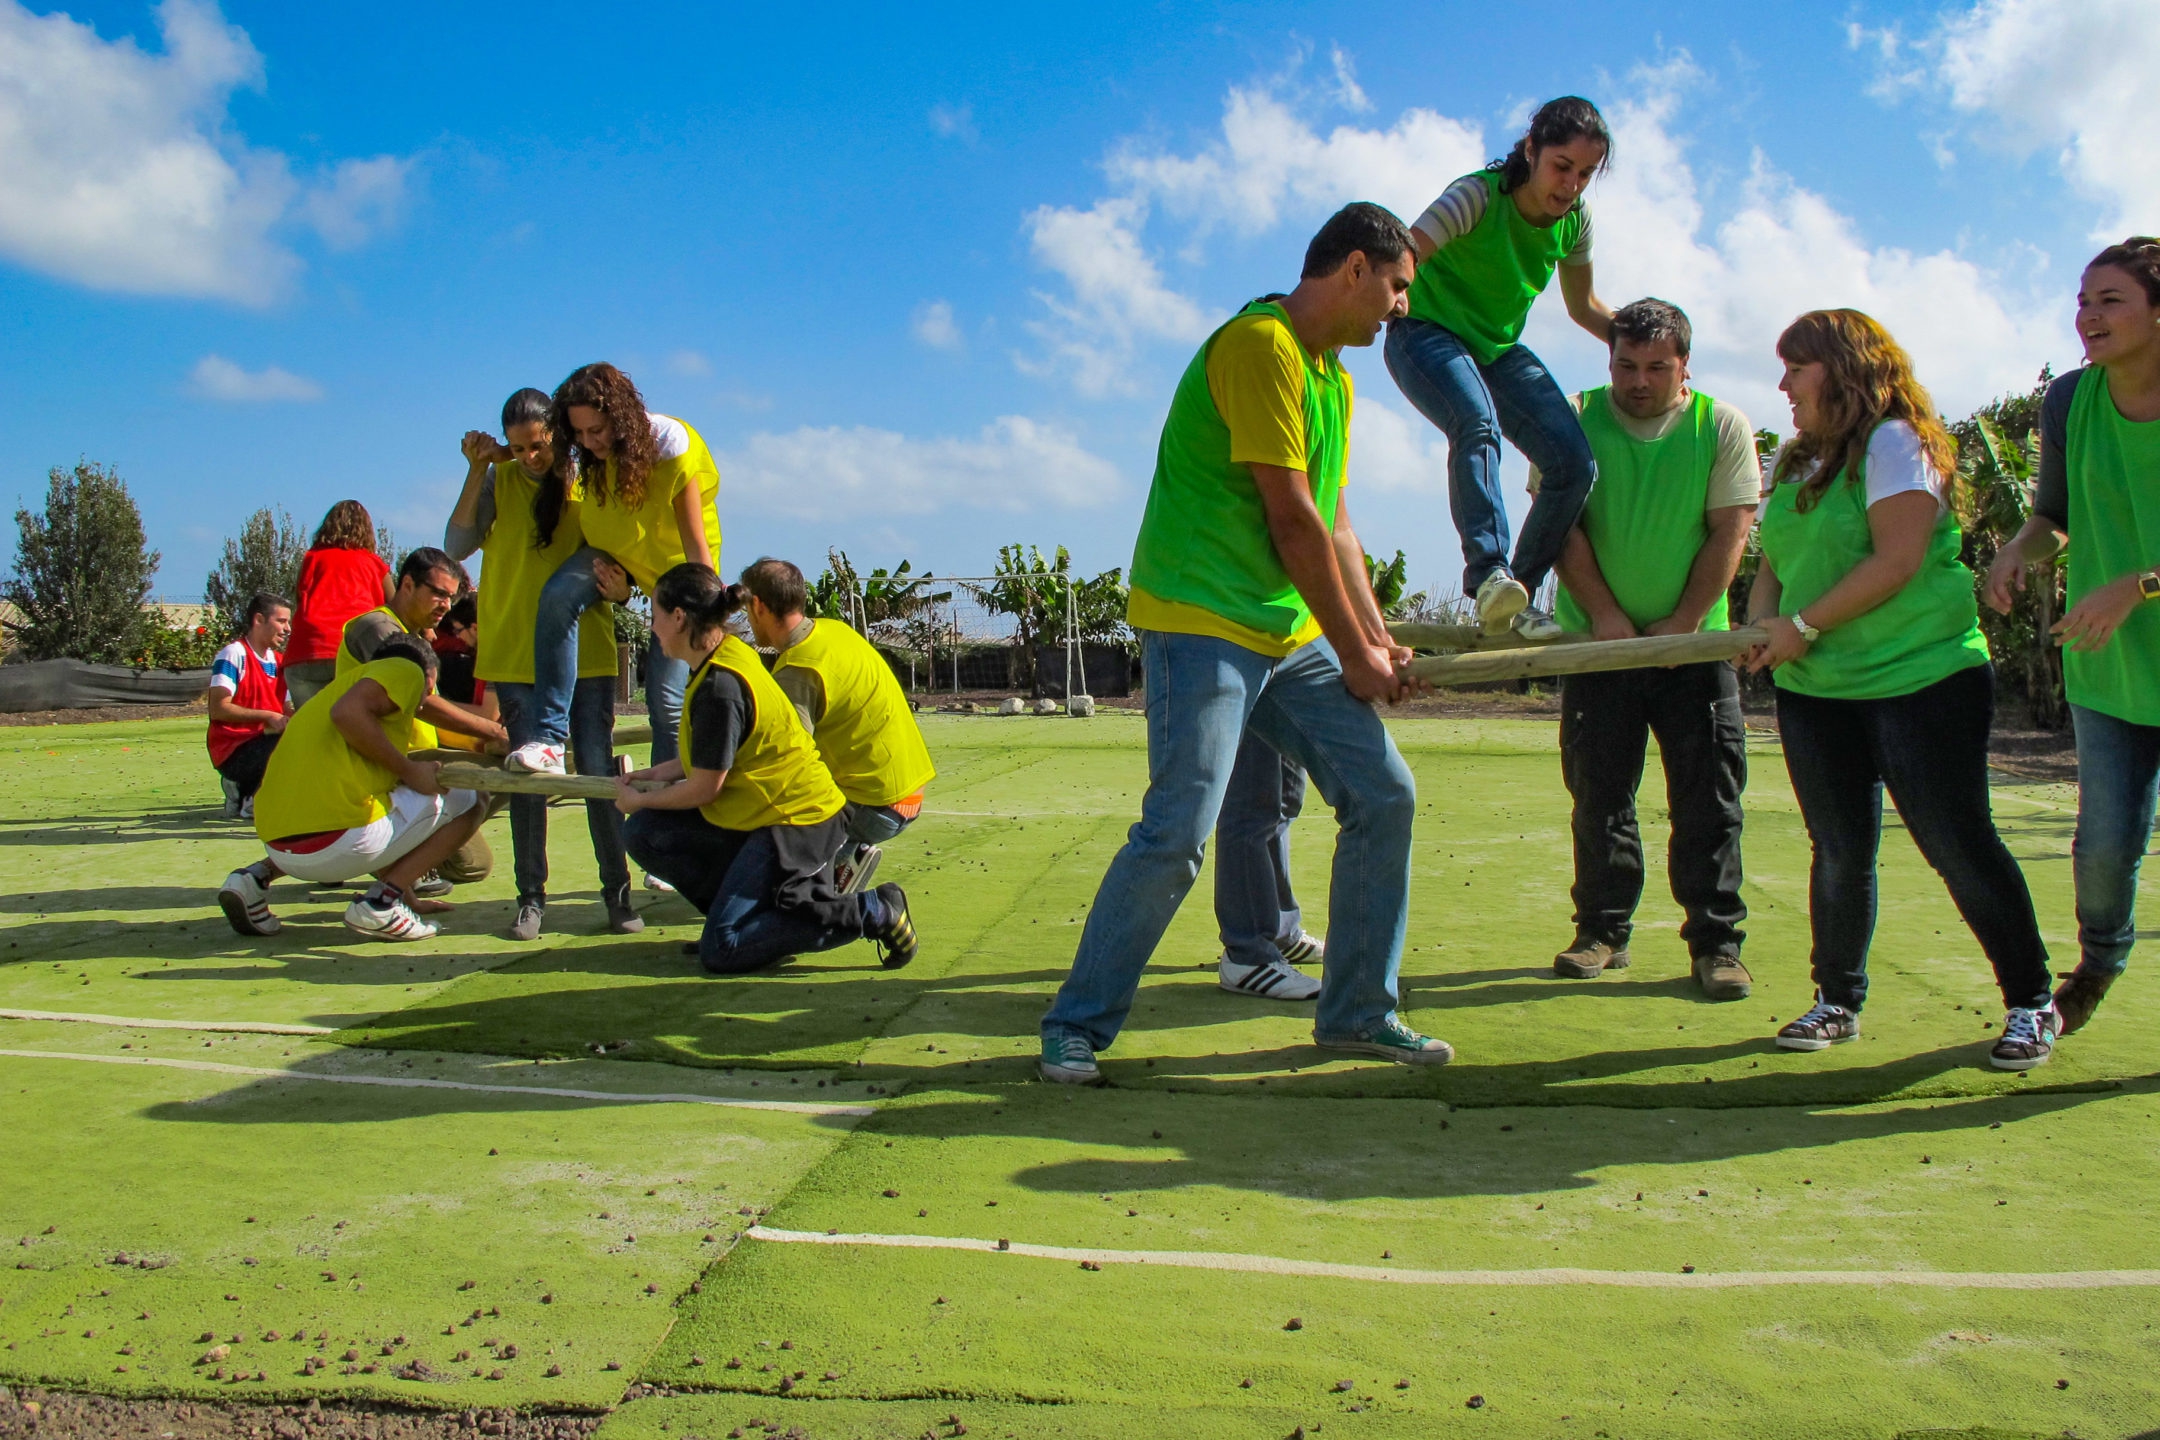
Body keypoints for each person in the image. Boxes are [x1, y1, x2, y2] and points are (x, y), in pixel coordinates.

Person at [1039, 202, 1441, 1087]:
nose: (1402, 307)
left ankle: (1359, 1017)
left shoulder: (1333, 378)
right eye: (1398, 286)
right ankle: (1076, 1024)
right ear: (1353, 270)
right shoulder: (1262, 346)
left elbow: (1335, 523)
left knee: (1386, 793)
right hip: (1200, 622)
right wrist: (1359, 655)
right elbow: (1289, 518)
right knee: (1179, 829)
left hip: (1282, 629)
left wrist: (1376, 641)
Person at [1742, 309, 2057, 1070]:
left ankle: (2032, 1002)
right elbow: (1774, 563)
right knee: (1841, 850)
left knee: (1956, 842)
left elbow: (1898, 561)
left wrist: (1803, 627)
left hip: (1924, 678)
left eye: (1798, 367)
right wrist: (1762, 629)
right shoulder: (1795, 464)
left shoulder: (1896, 443)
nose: (1783, 384)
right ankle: (1837, 1001)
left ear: (1843, 369)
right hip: (1819, 689)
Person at [1546, 298, 1755, 998]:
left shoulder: (1720, 425)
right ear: (1609, 361)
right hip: (1597, 651)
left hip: (1694, 651)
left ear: (1683, 366)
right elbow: (1561, 526)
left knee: (1710, 801)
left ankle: (1716, 946)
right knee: (1599, 795)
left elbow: (1731, 529)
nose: (1638, 381)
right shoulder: (1572, 418)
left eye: (1656, 368)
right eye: (1625, 365)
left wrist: (1685, 622)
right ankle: (1602, 933)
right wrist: (1604, 614)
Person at [1984, 237, 2160, 1037]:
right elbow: (2053, 516)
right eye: (2084, 300)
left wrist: (2139, 585)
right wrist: (2019, 550)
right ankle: (2097, 965)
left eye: (2111, 300)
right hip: (2111, 665)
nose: (2088, 316)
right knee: (2102, 848)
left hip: (2127, 615)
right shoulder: (2068, 403)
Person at [1385, 96, 1615, 641]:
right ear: (1531, 149)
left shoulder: (1575, 223)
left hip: (1496, 349)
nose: (1570, 186)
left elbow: (1585, 309)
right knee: (1477, 420)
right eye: (1562, 167)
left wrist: (1660, 351)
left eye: (1585, 175)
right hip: (1424, 333)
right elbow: (1398, 262)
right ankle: (1487, 573)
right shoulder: (1477, 197)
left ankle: (1513, 600)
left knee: (1574, 464)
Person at [616, 564, 917, 974]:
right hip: (768, 812)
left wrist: (636, 799)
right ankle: (751, 927)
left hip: (800, 822)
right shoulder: (725, 653)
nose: (651, 628)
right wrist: (655, 775)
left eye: (654, 616)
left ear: (680, 618)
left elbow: (705, 787)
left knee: (721, 951)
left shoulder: (721, 686)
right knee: (646, 833)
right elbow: (716, 751)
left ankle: (873, 910)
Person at [446, 387, 642, 942]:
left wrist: (625, 591)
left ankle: (617, 892)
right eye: (518, 448)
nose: (531, 456)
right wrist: (478, 468)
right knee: (528, 779)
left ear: (558, 434)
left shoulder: (591, 483)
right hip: (514, 654)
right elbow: (456, 544)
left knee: (598, 774)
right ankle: (530, 899)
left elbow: (625, 562)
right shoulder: (497, 480)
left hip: (591, 658)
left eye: (538, 444)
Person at [506, 363, 721, 779]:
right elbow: (536, 453)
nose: (589, 442)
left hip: (678, 581)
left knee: (665, 701)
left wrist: (707, 612)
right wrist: (496, 454)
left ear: (621, 419)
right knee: (558, 594)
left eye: (597, 430)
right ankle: (549, 739)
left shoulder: (668, 446)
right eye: (579, 433)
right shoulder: (586, 453)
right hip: (617, 555)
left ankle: (673, 804)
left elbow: (697, 548)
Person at [217, 633, 483, 943]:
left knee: (368, 809)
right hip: (342, 845)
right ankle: (380, 904)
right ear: (422, 673)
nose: (420, 703)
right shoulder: (402, 669)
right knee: (468, 799)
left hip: (279, 848)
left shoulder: (329, 696)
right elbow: (348, 713)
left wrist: (409, 895)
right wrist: (410, 770)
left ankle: (252, 879)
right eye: (425, 692)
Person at [738, 556, 937, 896]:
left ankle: (831, 863)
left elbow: (789, 762)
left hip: (874, 807)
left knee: (758, 816)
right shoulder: (835, 631)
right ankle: (843, 853)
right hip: (909, 794)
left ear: (757, 605)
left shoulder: (798, 670)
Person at [335, 546, 508, 755]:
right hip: (377, 774)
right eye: (439, 594)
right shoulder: (376, 626)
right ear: (408, 584)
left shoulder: (416, 640)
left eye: (451, 598)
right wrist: (495, 733)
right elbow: (421, 702)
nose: (447, 606)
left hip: (409, 767)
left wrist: (475, 742)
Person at [1211, 734, 1327, 1001]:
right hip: (1247, 691)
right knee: (1251, 799)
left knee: (1286, 796)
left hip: (1286, 689)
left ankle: (1279, 931)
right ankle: (1248, 954)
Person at [284, 501, 392, 708]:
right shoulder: (373, 563)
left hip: (305, 651)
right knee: (351, 725)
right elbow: (395, 604)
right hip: (351, 651)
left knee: (312, 729)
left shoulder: (312, 558)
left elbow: (300, 596)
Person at [206, 591, 294, 821]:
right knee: (287, 745)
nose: (288, 629)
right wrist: (269, 717)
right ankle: (252, 798)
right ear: (258, 620)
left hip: (262, 741)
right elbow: (218, 708)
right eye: (282, 621)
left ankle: (246, 792)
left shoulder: (278, 661)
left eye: (288, 622)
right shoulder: (233, 654)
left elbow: (286, 708)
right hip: (232, 749)